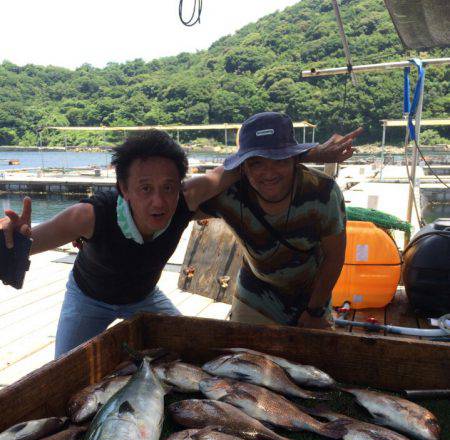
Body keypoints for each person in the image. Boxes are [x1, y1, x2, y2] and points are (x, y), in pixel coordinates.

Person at [1, 125, 358, 356]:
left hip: (144, 298)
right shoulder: (90, 215)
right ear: (123, 188)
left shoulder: (187, 198)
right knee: (65, 371)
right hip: (89, 299)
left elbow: (234, 169)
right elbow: (32, 241)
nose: (159, 201)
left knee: (192, 353)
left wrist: (309, 155)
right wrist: (11, 237)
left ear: (180, 186)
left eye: (168, 187)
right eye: (145, 189)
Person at [197, 112, 355, 329]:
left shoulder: (322, 192)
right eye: (256, 163)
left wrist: (315, 310)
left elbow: (334, 257)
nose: (268, 173)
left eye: (279, 160)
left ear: (294, 159)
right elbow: (175, 207)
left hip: (311, 298)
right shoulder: (229, 195)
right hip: (254, 296)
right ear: (242, 167)